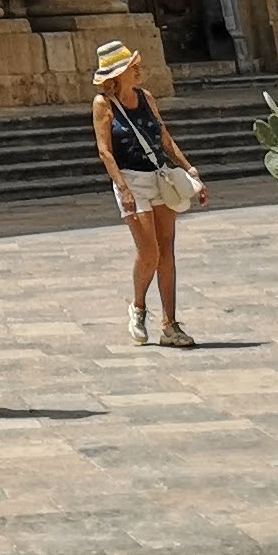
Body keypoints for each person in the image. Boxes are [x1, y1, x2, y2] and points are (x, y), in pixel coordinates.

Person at [92, 39, 206, 347]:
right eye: (133, 67)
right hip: (130, 180)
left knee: (166, 250)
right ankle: (138, 306)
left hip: (159, 177)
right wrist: (122, 188)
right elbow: (104, 151)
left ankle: (170, 325)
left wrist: (190, 171)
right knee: (149, 252)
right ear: (117, 75)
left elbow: (165, 139)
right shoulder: (103, 104)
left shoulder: (146, 97)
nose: (138, 69)